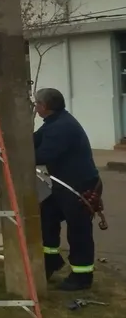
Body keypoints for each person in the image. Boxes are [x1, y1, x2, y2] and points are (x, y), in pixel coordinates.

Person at [34, 87, 103, 292]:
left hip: (79, 187)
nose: (35, 107)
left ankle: (82, 276)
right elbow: (33, 140)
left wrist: (19, 156)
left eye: (36, 103)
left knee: (78, 230)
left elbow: (42, 156)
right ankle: (51, 259)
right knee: (47, 215)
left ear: (44, 106)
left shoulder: (61, 128)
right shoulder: (53, 123)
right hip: (63, 186)